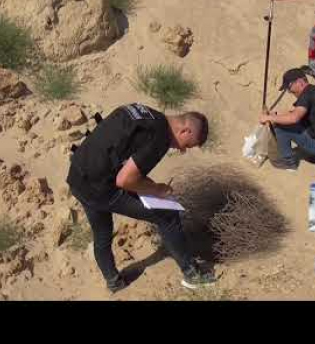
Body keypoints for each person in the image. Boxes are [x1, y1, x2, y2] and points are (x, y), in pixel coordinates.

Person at [66, 103, 216, 293]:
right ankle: (192, 275)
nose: (183, 150)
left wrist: (146, 185)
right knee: (168, 215)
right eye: (187, 145)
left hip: (78, 176)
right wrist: (156, 189)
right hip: (101, 187)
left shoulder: (142, 112)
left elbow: (120, 154)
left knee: (102, 234)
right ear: (185, 131)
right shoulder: (160, 137)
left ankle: (114, 282)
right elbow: (124, 180)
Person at [260, 68, 315, 171]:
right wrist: (276, 115)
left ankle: (289, 162)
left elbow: (294, 118)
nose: (290, 91)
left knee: (281, 128)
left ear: (300, 82)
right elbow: (297, 113)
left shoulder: (305, 96)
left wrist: (269, 118)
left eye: (289, 87)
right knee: (290, 120)